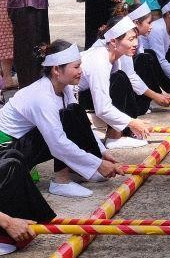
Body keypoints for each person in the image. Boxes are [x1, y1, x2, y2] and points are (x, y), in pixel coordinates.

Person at [0, 40, 124, 200]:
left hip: (19, 144)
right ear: (57, 70)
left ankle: (77, 170)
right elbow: (57, 144)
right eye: (76, 67)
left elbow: (80, 125)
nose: (81, 71)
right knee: (64, 121)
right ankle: (61, 181)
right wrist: (98, 164)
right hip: (5, 150)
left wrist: (102, 152)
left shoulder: (64, 88)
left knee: (74, 113)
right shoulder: (42, 97)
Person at [78, 16, 152, 149]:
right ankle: (114, 137)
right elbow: (102, 108)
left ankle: (123, 133)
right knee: (119, 79)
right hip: (74, 101)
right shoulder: (100, 60)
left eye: (136, 37)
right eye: (130, 39)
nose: (135, 43)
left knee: (121, 77)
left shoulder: (114, 58)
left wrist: (131, 122)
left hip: (85, 96)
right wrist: (131, 122)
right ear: (113, 42)